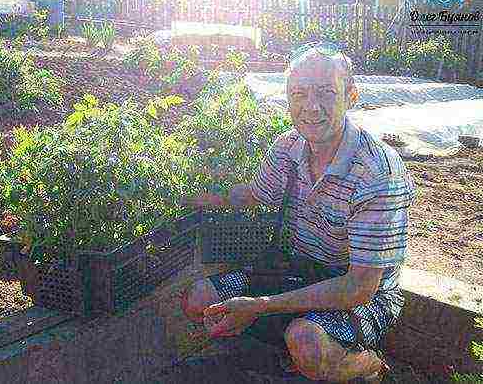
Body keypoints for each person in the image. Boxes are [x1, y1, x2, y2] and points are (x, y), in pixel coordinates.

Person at [175, 44, 416, 383]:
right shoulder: (288, 147)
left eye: (326, 93)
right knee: (198, 300)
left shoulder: (376, 173)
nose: (311, 107)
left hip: (360, 294)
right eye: (299, 94)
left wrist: (260, 305)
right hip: (295, 270)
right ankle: (283, 356)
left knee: (306, 343)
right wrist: (190, 196)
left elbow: (358, 288)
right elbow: (254, 194)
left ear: (351, 96)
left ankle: (368, 365)